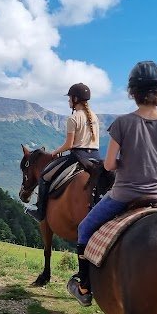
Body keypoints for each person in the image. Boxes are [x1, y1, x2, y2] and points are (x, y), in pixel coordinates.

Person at [67, 61, 157, 306]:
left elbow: (109, 165)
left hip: (124, 194)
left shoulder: (122, 123)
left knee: (85, 229)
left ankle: (84, 285)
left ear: (133, 93)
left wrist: (130, 164)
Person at [26, 83, 101, 221]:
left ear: (75, 99)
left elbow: (69, 144)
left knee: (44, 177)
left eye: (69, 98)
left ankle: (40, 212)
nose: (68, 101)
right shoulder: (94, 117)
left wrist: (55, 152)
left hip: (78, 157)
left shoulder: (73, 118)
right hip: (96, 157)